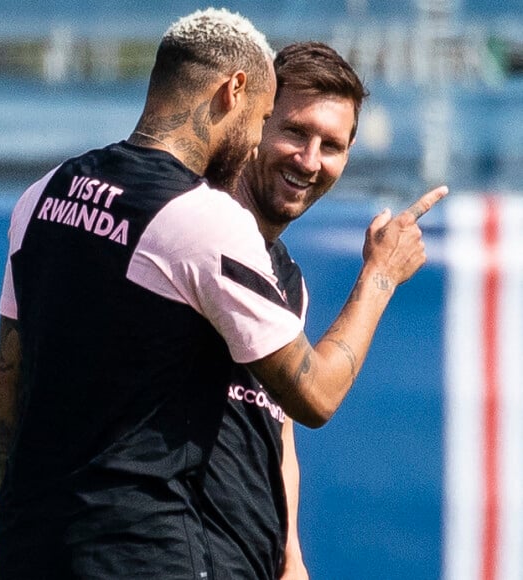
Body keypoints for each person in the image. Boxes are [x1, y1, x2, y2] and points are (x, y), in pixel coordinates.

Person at [0, 7, 277, 579]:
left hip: (30, 545)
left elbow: (6, 383)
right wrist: (380, 276)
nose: (255, 143)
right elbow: (314, 397)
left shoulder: (42, 193)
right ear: (233, 90)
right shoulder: (205, 217)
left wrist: (22, 507)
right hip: (139, 551)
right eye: (264, 118)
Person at [201, 41, 448, 579]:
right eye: (294, 131)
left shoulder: (285, 276)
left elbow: (277, 427)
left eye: (331, 145)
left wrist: (290, 558)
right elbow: (317, 398)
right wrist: (379, 276)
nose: (310, 161)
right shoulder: (198, 233)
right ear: (254, 122)